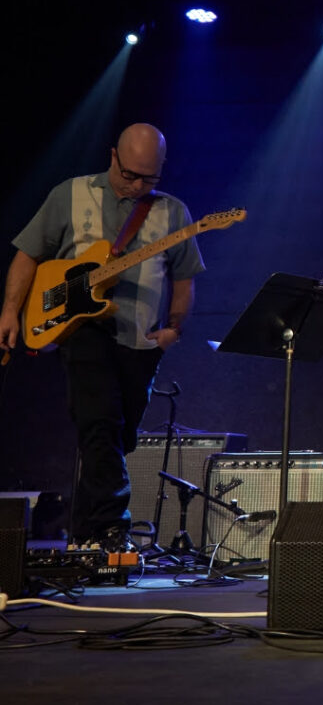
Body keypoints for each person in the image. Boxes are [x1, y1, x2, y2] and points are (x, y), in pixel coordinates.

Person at [0, 124, 204, 551]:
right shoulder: (69, 195)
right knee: (100, 421)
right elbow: (28, 254)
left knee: (117, 436)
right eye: (129, 174)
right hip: (83, 329)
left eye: (149, 178)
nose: (136, 185)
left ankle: (84, 534)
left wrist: (173, 329)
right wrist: (10, 311)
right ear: (113, 156)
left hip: (140, 339)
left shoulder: (172, 213)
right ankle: (114, 527)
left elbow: (184, 279)